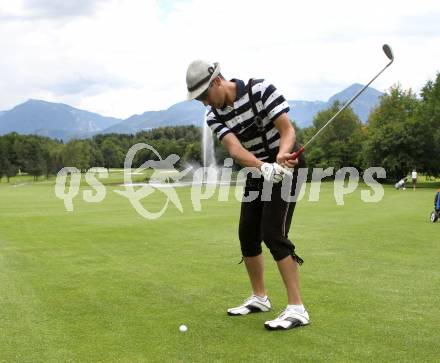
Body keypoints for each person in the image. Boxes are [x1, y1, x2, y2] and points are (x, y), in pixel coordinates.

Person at [186, 60, 309, 330]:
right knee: (247, 232)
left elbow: (287, 130)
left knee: (273, 233)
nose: (205, 103)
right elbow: (234, 149)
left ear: (217, 81)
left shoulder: (260, 90)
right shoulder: (214, 115)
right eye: (199, 100)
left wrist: (280, 158)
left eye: (205, 95)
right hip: (259, 170)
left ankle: (297, 308)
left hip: (288, 166)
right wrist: (264, 167)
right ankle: (259, 297)